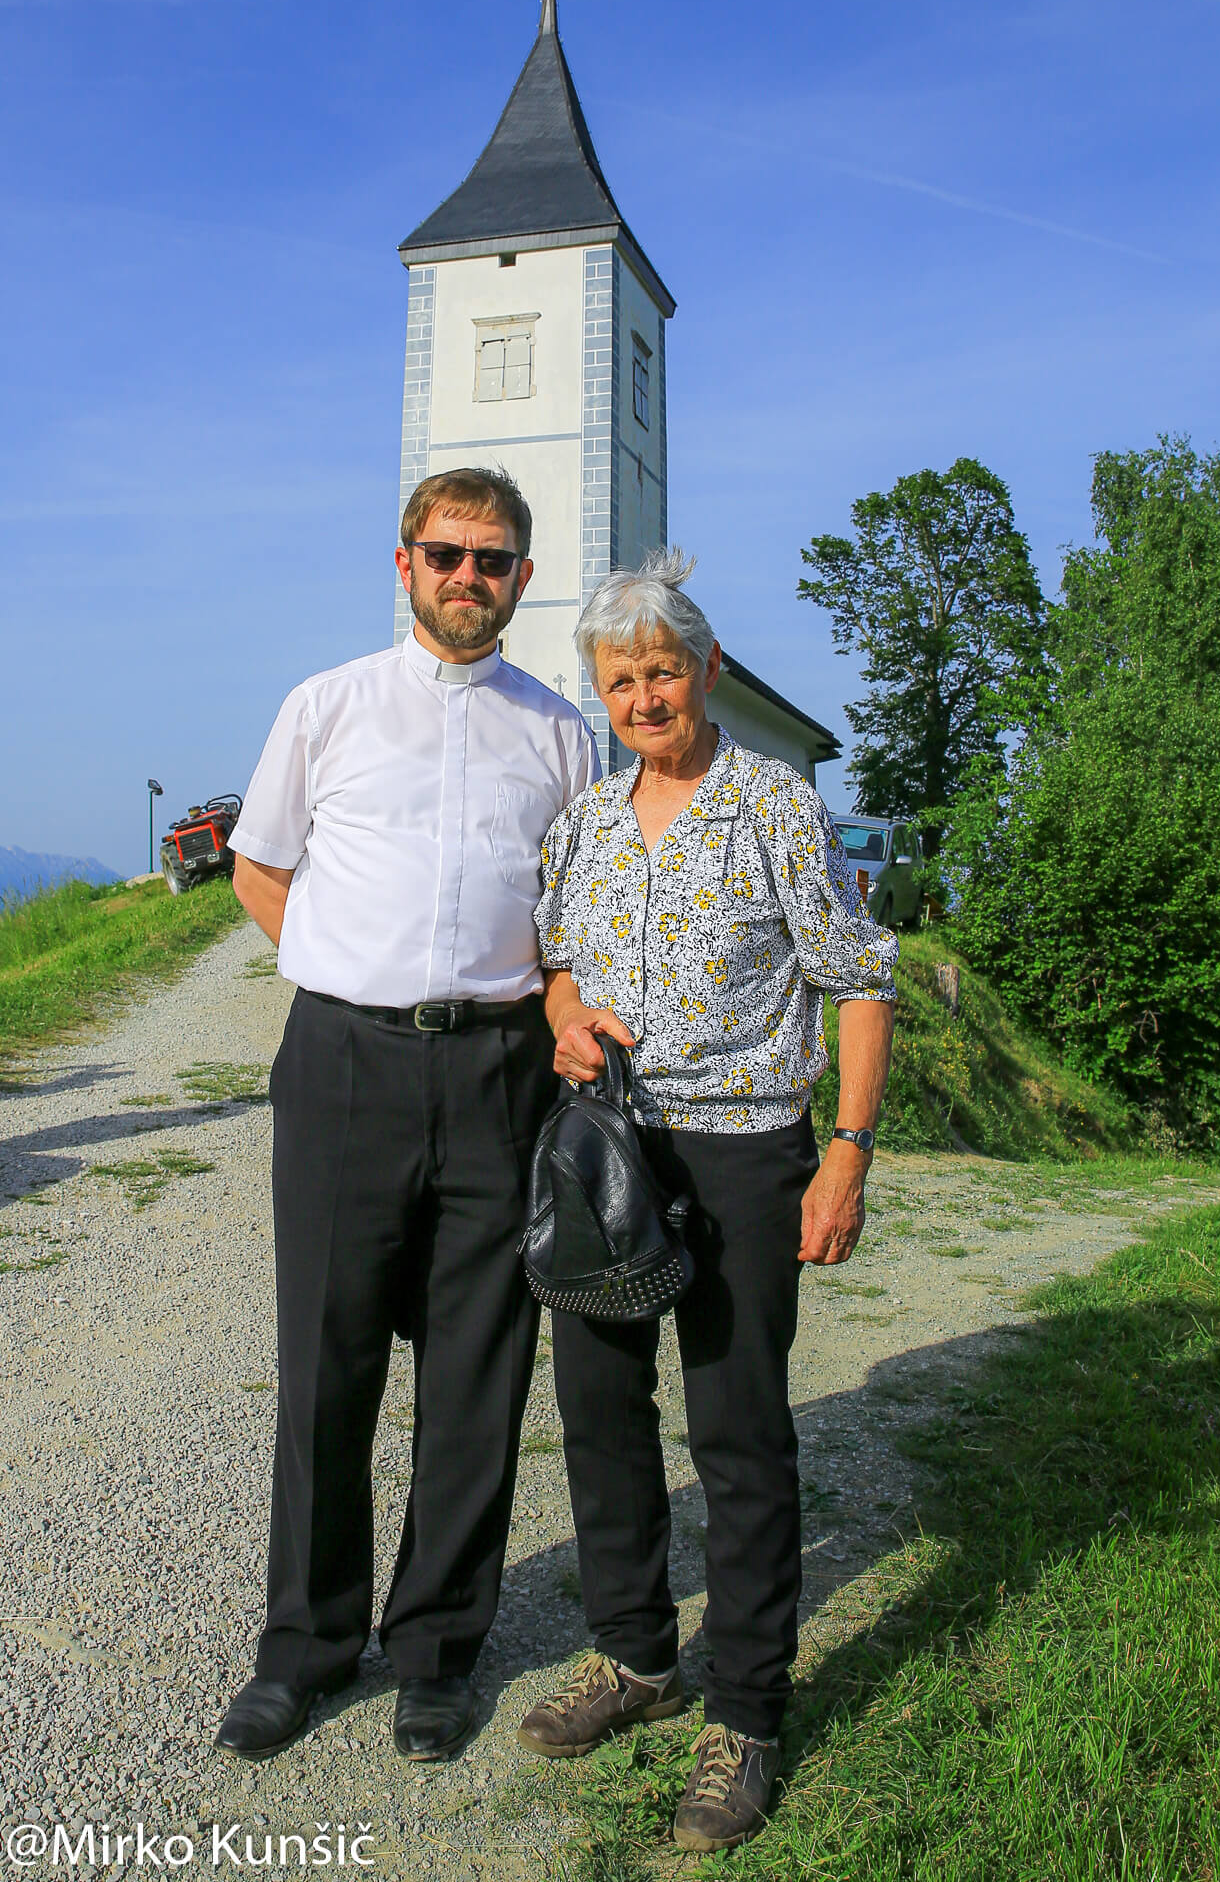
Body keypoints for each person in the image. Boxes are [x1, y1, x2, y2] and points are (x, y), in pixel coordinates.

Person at [214, 467, 598, 1764]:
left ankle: (437, 1651)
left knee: (475, 1375)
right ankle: (306, 1650)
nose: (466, 577)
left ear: (520, 580)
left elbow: (570, 930)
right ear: (403, 563)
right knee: (327, 1368)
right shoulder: (325, 707)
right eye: (446, 554)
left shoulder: (558, 734)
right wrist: (346, 967)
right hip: (343, 1067)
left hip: (498, 1075)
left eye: (492, 560)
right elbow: (259, 866)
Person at [516, 549, 898, 1853]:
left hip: (743, 1154)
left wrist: (844, 1148)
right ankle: (632, 1655)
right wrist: (567, 1022)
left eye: (659, 672)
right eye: (619, 680)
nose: (641, 696)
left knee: (735, 1430)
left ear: (706, 672)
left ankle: (743, 1710)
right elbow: (555, 970)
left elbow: (857, 977)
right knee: (598, 1409)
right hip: (608, 1153)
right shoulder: (582, 824)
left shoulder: (777, 807)